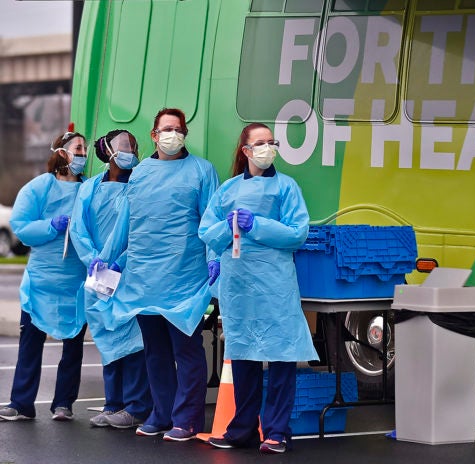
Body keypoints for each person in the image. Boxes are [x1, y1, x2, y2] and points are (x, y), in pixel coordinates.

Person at [90, 108, 220, 441]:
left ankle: (187, 420)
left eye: (178, 129)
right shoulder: (142, 172)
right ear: (153, 134)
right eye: (166, 129)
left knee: (187, 351)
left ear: (185, 134)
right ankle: (161, 414)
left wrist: (214, 259)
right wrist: (107, 259)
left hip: (184, 278)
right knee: (155, 351)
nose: (172, 135)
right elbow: (127, 223)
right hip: (144, 279)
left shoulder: (201, 171)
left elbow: (210, 221)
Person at [199, 122, 318, 454]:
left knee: (282, 356)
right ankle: (242, 429)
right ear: (245, 150)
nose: (267, 148)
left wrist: (258, 224)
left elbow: (298, 233)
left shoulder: (286, 187)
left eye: (271, 142)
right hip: (238, 284)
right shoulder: (227, 190)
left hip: (274, 283)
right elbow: (207, 230)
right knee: (244, 354)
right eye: (260, 142)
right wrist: (216, 252)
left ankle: (278, 431)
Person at [0, 131, 88, 422]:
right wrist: (51, 225)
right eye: (78, 148)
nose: (84, 153)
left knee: (73, 346)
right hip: (41, 281)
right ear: (62, 153)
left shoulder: (90, 190)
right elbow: (21, 225)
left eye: (85, 149)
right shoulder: (38, 187)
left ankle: (64, 403)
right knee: (30, 343)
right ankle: (21, 403)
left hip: (76, 281)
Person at [69, 130, 152, 428]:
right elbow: (78, 229)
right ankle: (113, 403)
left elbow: (143, 231)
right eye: (124, 145)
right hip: (99, 274)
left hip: (130, 272)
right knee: (108, 338)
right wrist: (93, 259)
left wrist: (121, 261)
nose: (130, 150)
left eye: (134, 144)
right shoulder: (90, 188)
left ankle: (136, 406)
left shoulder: (140, 187)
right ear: (109, 150)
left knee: (133, 340)